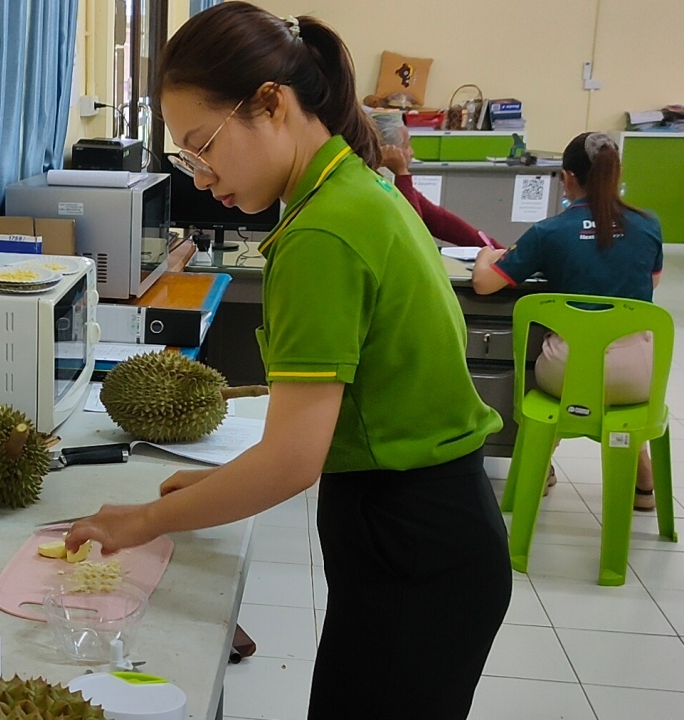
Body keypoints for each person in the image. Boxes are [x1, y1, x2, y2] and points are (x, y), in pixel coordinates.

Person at [65, 5, 511, 719]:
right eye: (186, 159)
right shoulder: (355, 189)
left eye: (202, 145)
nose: (202, 177)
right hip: (431, 529)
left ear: (270, 104)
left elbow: (292, 459)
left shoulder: (323, 233)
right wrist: (206, 491)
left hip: (414, 543)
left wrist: (144, 520)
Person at [472, 131, 664, 511]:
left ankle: (538, 469)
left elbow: (485, 285)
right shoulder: (648, 225)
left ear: (567, 176)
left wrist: (485, 256)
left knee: (534, 361)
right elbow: (651, 285)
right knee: (618, 392)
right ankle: (643, 484)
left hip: (567, 374)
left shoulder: (550, 232)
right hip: (638, 378)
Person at [372, 113, 502, 248]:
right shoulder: (375, 186)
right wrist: (402, 173)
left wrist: (493, 248)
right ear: (389, 152)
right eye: (407, 145)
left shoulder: (392, 183)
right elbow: (413, 231)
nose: (411, 152)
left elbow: (442, 221)